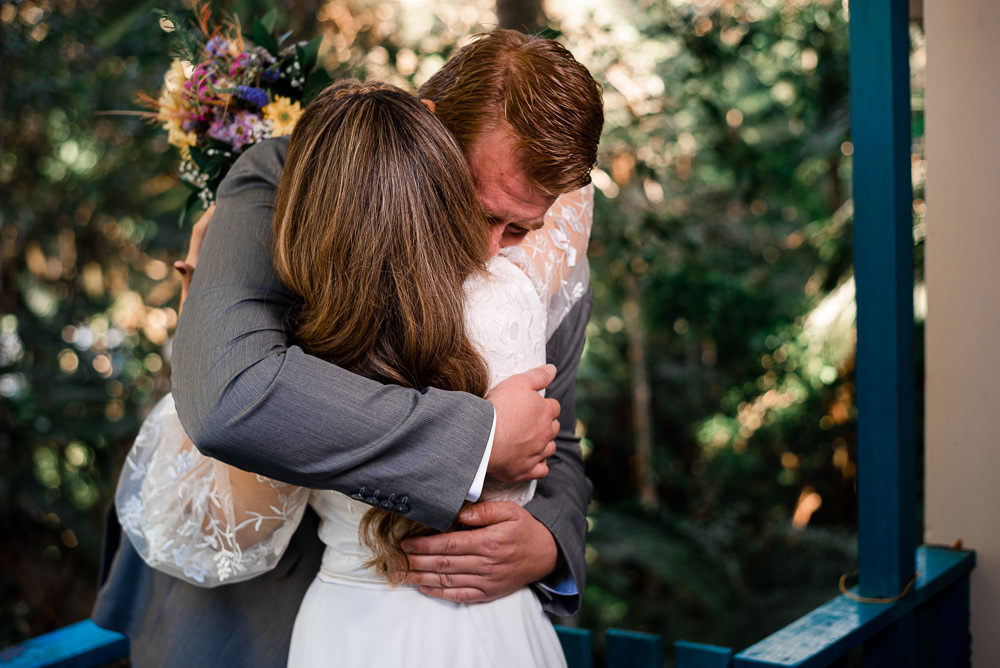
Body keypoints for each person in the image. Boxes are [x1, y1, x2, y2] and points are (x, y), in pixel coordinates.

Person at [93, 30, 603, 666]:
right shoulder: (281, 181)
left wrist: (547, 543)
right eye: (476, 211)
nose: (489, 249)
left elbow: (560, 440)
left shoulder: (548, 243)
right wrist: (478, 443)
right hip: (259, 612)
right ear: (432, 124)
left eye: (520, 228)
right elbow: (231, 394)